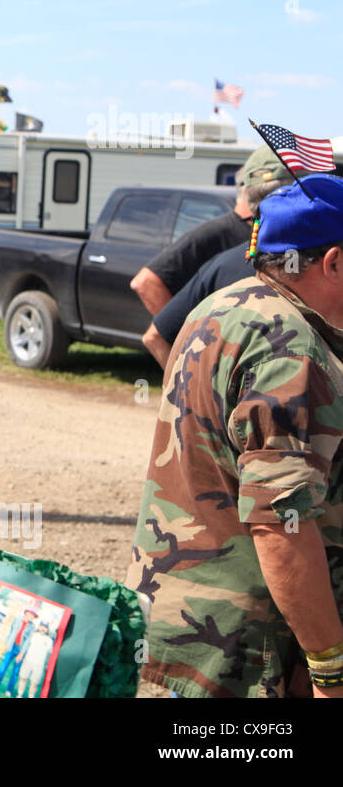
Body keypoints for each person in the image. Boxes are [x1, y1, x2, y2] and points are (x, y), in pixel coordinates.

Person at [127, 173, 343, 698]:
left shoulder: (222, 307)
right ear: (335, 262)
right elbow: (282, 526)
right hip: (252, 652)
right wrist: (329, 668)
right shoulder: (289, 349)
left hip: (185, 625)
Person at [141, 158, 291, 366]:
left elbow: (155, 337)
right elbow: (145, 284)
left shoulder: (228, 261)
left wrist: (190, 387)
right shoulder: (303, 266)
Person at [129, 147, 289, 316]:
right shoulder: (214, 233)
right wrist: (186, 334)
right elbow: (146, 282)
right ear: (248, 189)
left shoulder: (263, 234)